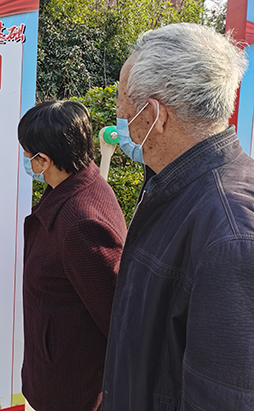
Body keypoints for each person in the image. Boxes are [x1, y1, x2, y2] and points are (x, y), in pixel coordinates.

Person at [102, 23, 253, 410]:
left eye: (122, 101)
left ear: (153, 114)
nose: (119, 115)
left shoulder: (229, 234)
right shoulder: (176, 187)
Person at [18, 100, 126, 411]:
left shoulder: (81, 222)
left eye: (27, 155)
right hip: (55, 364)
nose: (25, 160)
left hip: (70, 385)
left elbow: (113, 315)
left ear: (44, 160)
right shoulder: (77, 184)